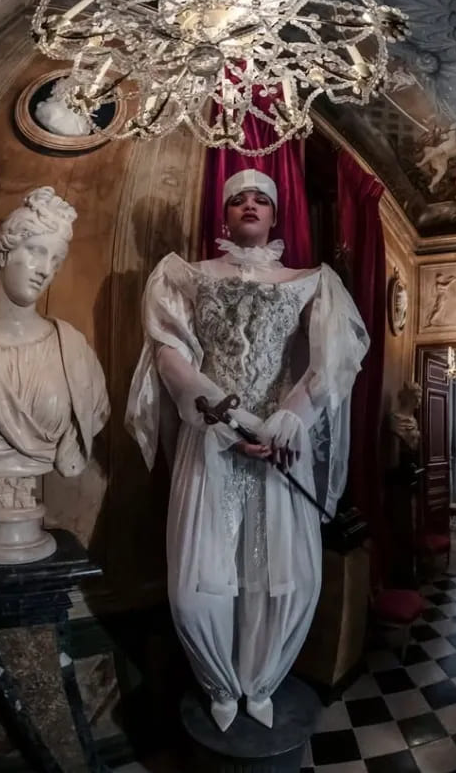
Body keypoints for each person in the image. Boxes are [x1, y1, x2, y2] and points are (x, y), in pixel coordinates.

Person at [126, 169, 369, 731]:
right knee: (194, 587)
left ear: (276, 214)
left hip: (279, 446)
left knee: (282, 577)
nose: (251, 205)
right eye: (239, 199)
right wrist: (226, 419)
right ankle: (218, 681)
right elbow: (169, 355)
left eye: (262, 199)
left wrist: (288, 419)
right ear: (225, 213)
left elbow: (332, 361)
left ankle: (259, 679)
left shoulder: (311, 281)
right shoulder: (185, 275)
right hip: (211, 436)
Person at [0, 186, 109, 482]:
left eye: (56, 261)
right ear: (4, 253)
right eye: (36, 251)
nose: (45, 270)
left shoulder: (74, 351)